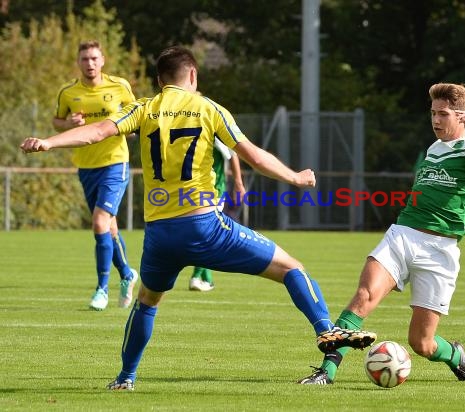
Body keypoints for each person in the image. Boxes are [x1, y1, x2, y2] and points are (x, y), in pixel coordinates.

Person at [21, 45, 377, 391]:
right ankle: (324, 328)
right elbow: (252, 156)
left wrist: (50, 142)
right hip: (205, 226)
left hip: (159, 234)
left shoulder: (143, 108)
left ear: (160, 81)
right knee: (291, 268)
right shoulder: (208, 108)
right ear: (192, 74)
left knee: (147, 300)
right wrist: (296, 178)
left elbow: (98, 133)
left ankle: (125, 377)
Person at [298, 82, 465, 385]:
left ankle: (455, 355)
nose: (436, 120)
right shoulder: (434, 149)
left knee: (422, 343)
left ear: (463, 116)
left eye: (444, 114)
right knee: (363, 296)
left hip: (440, 251)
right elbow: (455, 197)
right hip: (403, 234)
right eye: (433, 113)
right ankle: (326, 372)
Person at [52, 40, 138, 311]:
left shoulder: (119, 86)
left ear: (103, 60)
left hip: (115, 162)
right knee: (108, 227)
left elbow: (137, 117)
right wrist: (67, 124)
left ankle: (102, 288)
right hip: (86, 166)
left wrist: (128, 128)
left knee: (100, 222)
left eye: (94, 58)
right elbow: (57, 120)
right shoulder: (68, 92)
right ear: (78, 62)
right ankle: (127, 273)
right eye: (84, 59)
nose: (89, 63)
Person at [189, 137, 245, 292]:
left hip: (194, 190)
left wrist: (238, 183)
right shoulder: (214, 127)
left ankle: (206, 279)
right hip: (212, 191)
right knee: (205, 235)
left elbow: (231, 154)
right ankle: (197, 277)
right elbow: (233, 155)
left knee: (202, 234)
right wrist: (239, 183)